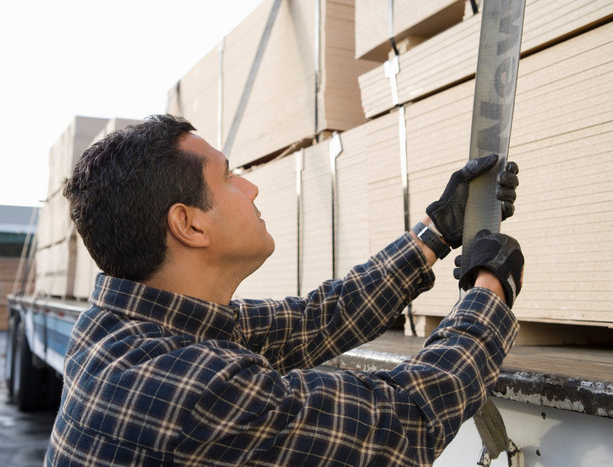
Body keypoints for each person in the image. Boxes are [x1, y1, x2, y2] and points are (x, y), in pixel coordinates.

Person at [45, 114, 523, 466]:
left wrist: (435, 233)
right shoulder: (190, 391)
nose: (250, 188)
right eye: (229, 176)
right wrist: (491, 287)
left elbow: (315, 320)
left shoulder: (122, 327)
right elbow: (401, 422)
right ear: (188, 224)